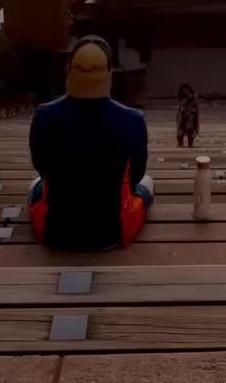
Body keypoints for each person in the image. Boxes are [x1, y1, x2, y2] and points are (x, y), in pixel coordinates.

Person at [28, 35, 154, 250]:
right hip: (114, 231)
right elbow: (137, 175)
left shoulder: (43, 115)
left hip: (55, 231)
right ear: (109, 71)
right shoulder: (133, 120)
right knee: (147, 183)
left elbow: (41, 167)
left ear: (69, 70)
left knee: (36, 184)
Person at [176, 81, 200, 148]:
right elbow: (181, 108)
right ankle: (181, 144)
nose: (185, 91)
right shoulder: (183, 97)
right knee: (180, 132)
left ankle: (190, 144)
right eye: (183, 89)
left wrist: (193, 117)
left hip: (190, 116)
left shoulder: (193, 97)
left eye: (186, 89)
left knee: (189, 129)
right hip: (183, 115)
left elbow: (195, 108)